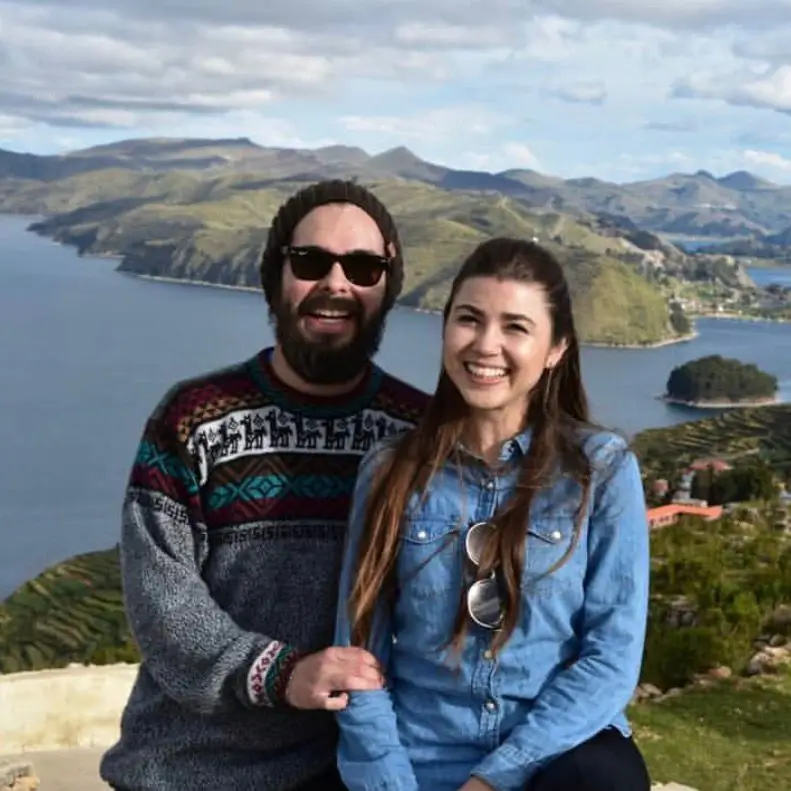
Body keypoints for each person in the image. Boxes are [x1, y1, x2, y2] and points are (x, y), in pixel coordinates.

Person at [99, 180, 429, 791]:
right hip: (186, 769)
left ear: (387, 288)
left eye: (363, 268)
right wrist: (282, 674)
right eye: (310, 262)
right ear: (275, 277)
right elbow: (161, 604)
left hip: (351, 769)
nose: (336, 283)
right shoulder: (192, 419)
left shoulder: (418, 435)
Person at [333, 237, 652, 791]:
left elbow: (611, 659)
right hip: (419, 756)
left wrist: (494, 780)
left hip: (553, 756)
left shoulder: (601, 470)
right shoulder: (390, 471)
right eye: (469, 319)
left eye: (515, 327)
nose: (485, 345)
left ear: (555, 349)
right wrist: (389, 782)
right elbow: (359, 655)